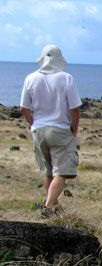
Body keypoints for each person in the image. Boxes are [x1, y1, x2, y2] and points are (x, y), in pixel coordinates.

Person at [19, 45, 81, 218]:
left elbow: (24, 108)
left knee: (48, 171)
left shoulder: (30, 78)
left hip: (38, 130)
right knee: (61, 172)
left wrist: (33, 124)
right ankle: (47, 206)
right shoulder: (66, 78)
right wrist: (73, 131)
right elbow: (75, 109)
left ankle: (55, 206)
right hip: (61, 129)